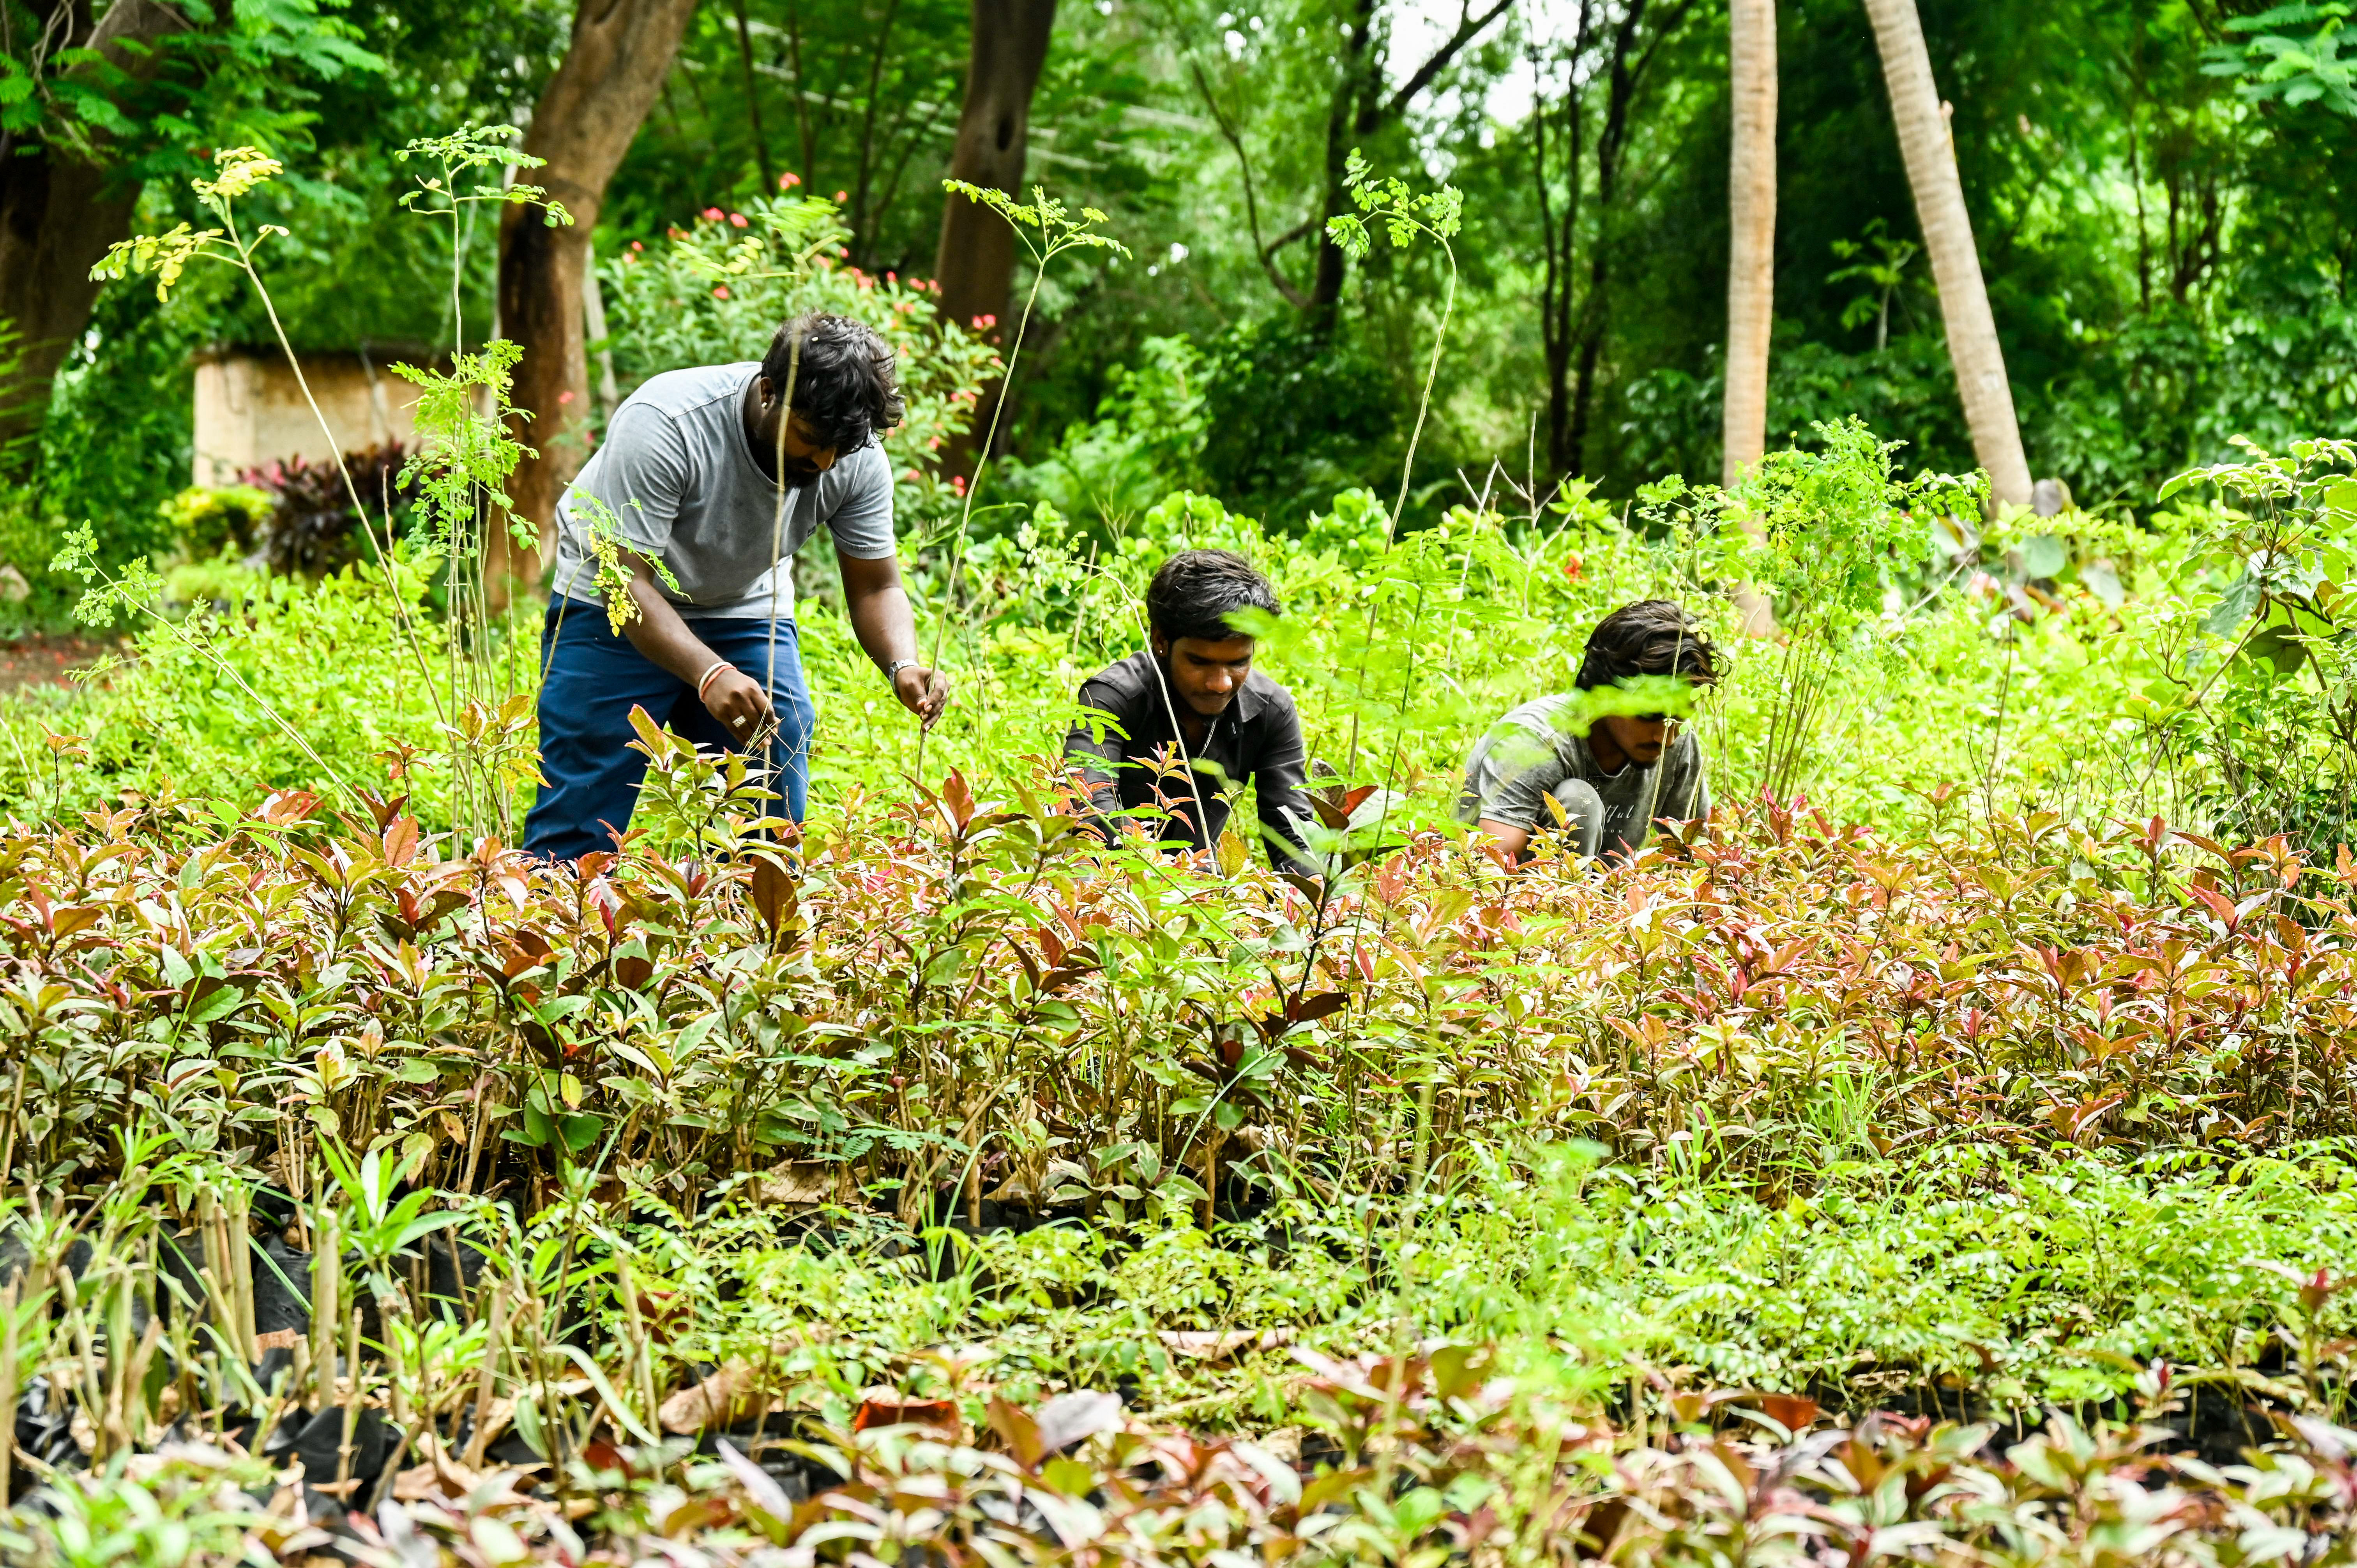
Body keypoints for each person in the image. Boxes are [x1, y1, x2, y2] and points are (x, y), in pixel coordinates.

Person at [523, 313, 950, 863]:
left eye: (838, 450)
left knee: (769, 825)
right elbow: (624, 582)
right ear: (769, 394)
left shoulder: (854, 453)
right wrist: (709, 673)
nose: (823, 462)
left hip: (741, 606)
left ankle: (751, 942)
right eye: (812, 440)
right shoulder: (668, 422)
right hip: (612, 603)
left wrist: (903, 664)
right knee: (578, 827)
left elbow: (875, 585)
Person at [1064, 549, 1315, 873]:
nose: (1221, 684)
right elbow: (1086, 806)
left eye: (1239, 662)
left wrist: (1321, 899)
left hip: (1202, 897)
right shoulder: (1114, 697)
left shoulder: (1271, 710)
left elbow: (1292, 832)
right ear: (1160, 641)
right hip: (1108, 890)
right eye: (1199, 662)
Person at [1458, 599, 1719, 862]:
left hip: (1607, 897)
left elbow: (1698, 859)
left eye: (1680, 718)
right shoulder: (1534, 742)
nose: (1666, 737)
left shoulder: (1677, 741)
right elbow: (1486, 874)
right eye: (1650, 714)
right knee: (1579, 800)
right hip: (1519, 896)